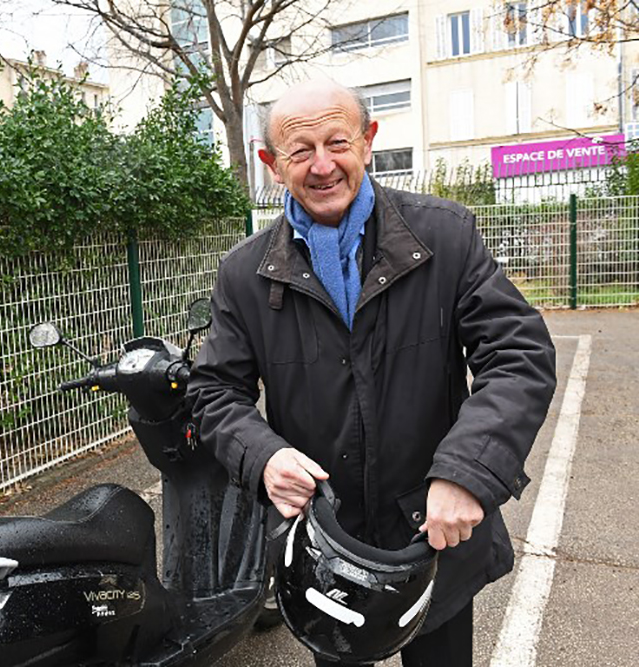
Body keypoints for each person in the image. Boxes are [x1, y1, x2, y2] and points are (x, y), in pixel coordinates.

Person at [187, 79, 557, 667]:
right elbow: (213, 390)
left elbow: (517, 356)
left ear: (369, 141)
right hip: (325, 541)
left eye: (338, 142)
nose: (322, 165)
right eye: (300, 151)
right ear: (271, 165)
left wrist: (467, 472)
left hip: (432, 533)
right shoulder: (243, 273)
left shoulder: (444, 235)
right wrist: (261, 456)